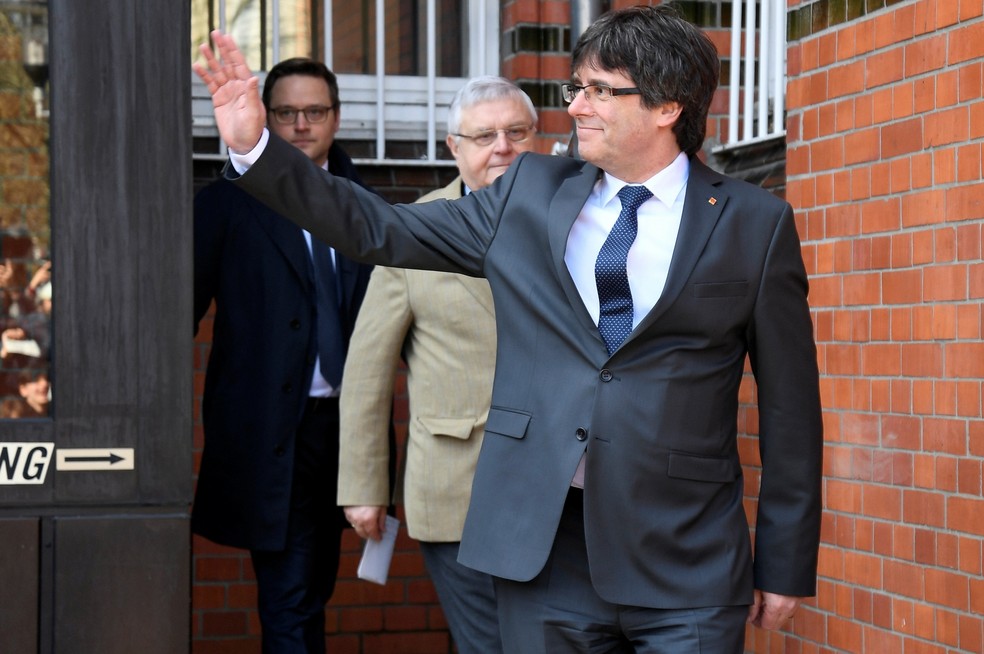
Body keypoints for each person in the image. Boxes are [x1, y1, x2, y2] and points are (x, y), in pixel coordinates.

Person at [195, 5, 824, 652]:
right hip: (544, 550)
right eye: (575, 87)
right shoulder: (528, 194)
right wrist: (255, 148)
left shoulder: (756, 224)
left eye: (600, 91)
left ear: (668, 107)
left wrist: (784, 559)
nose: (576, 106)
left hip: (685, 556)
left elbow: (791, 410)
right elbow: (380, 229)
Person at [340, 76, 537, 654]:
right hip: (457, 488)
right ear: (454, 147)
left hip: (557, 493)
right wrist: (364, 487)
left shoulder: (579, 223)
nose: (501, 146)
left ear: (537, 136)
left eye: (515, 132)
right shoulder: (415, 230)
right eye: (483, 135)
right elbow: (367, 370)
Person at [192, 57, 374, 653]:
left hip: (348, 433)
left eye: (314, 111)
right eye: (286, 112)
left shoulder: (365, 205)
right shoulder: (224, 204)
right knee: (290, 595)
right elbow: (178, 314)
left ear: (336, 118)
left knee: (314, 585)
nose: (300, 125)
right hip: (274, 433)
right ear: (265, 115)